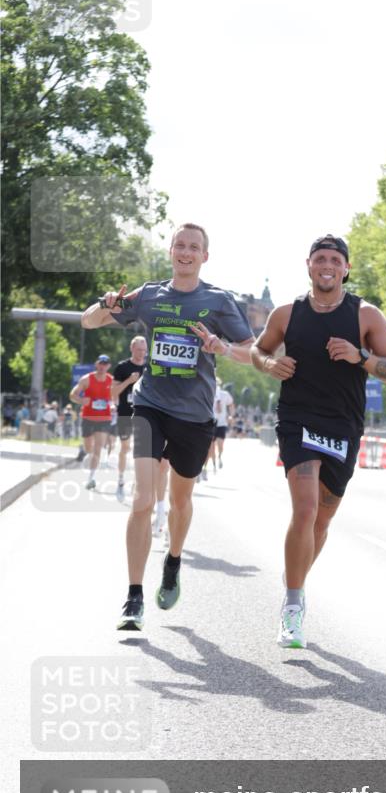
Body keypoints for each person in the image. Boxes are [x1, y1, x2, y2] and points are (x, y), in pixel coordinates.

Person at [81, 222, 255, 632]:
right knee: (143, 499)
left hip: (194, 415)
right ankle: (133, 597)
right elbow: (89, 321)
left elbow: (253, 353)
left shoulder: (218, 301)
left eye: (194, 247)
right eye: (180, 245)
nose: (186, 252)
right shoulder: (149, 295)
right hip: (150, 405)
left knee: (179, 502)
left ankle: (173, 559)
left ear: (204, 256)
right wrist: (106, 303)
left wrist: (222, 347)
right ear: (171, 251)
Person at [251, 233, 386, 649]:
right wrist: (270, 364)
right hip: (297, 418)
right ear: (308, 265)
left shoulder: (366, 315)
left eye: (335, 260)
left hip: (343, 426)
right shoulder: (286, 313)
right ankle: (293, 605)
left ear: (346, 268)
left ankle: (295, 579)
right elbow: (257, 351)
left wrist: (361, 357)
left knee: (321, 520)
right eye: (320, 258)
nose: (327, 266)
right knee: (304, 509)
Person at [69, 356, 114, 489]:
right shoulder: (87, 379)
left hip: (104, 419)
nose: (102, 367)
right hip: (88, 418)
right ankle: (88, 454)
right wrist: (81, 400)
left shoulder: (112, 381)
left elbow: (116, 398)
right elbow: (72, 394)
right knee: (89, 448)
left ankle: (91, 478)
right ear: (96, 364)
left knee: (97, 448)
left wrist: (113, 405)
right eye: (100, 364)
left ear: (109, 366)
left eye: (105, 364)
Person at [112, 335, 148, 499]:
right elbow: (113, 392)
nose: (142, 353)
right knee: (125, 448)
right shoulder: (122, 367)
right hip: (125, 413)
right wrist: (129, 381)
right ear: (132, 348)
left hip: (145, 414)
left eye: (144, 350)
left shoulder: (149, 367)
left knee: (141, 451)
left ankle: (136, 483)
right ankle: (120, 479)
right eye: (139, 350)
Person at [213, 378, 235, 467]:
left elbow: (231, 404)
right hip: (211, 423)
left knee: (220, 444)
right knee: (211, 446)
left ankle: (219, 457)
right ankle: (213, 462)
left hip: (222, 423)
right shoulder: (209, 393)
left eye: (217, 384)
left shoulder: (225, 394)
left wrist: (231, 416)